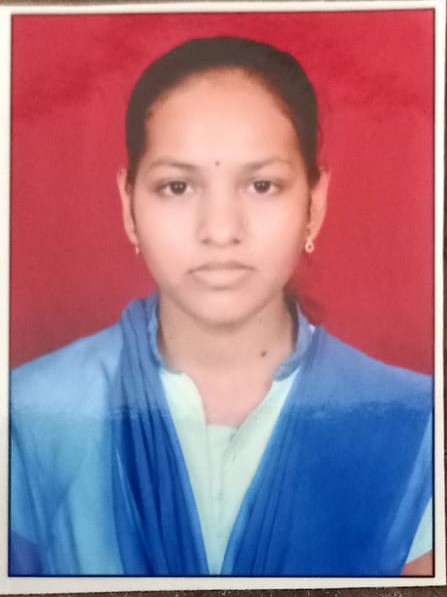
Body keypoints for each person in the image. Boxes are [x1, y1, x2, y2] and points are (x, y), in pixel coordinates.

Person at [9, 37, 433, 577]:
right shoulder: (32, 413)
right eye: (177, 186)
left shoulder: (413, 427)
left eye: (262, 185)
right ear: (129, 206)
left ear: (314, 204)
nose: (220, 230)